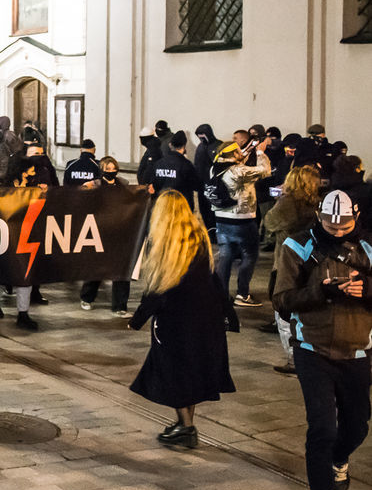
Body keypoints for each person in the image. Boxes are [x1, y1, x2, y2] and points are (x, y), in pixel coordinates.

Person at [273, 189, 372, 490]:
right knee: (322, 428)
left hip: (358, 353)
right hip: (312, 349)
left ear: (356, 216)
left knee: (358, 425)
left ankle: (340, 459)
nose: (336, 229)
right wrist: (323, 290)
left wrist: (366, 290)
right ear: (319, 215)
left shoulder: (368, 249)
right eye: (329, 223)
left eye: (344, 223)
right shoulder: (296, 246)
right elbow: (282, 300)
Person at [128, 189, 237, 449]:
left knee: (173, 373)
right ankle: (185, 425)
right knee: (192, 373)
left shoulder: (165, 242)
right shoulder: (198, 235)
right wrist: (228, 314)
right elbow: (214, 279)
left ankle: (186, 428)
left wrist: (137, 319)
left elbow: (158, 289)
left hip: (176, 322)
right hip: (205, 317)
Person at [262, 164, 322, 375]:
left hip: (286, 260)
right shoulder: (316, 202)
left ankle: (294, 359)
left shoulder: (288, 202)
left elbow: (269, 222)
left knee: (283, 311)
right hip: (309, 262)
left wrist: (279, 199)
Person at [210, 138, 272, 307]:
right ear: (233, 154)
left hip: (221, 220)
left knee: (226, 256)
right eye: (238, 150)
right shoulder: (238, 172)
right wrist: (260, 152)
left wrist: (248, 149)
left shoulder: (215, 167)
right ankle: (242, 294)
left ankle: (221, 294)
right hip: (242, 221)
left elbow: (237, 160)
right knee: (250, 255)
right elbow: (265, 171)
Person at [79, 156, 131, 316]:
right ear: (102, 170)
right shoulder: (95, 185)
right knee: (98, 267)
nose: (111, 172)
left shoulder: (123, 184)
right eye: (107, 169)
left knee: (121, 269)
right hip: (100, 231)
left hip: (119, 232)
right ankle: (87, 297)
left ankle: (120, 305)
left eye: (113, 169)